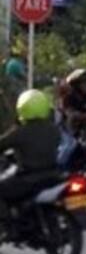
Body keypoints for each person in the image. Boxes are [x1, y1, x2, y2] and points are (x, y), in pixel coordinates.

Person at [0, 90, 64, 219]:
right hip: (54, 174)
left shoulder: (21, 132)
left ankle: (8, 223)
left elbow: (3, 143)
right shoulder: (54, 129)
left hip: (29, 179)